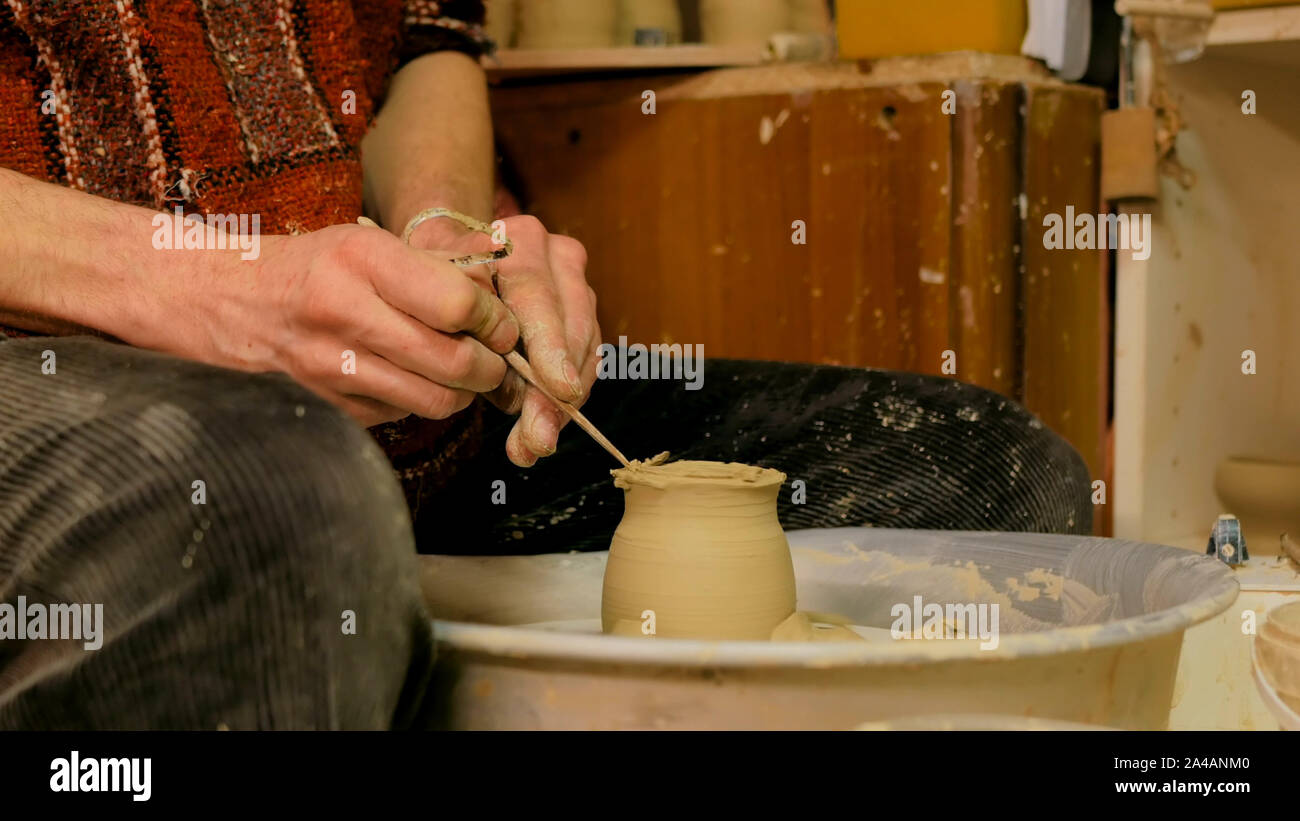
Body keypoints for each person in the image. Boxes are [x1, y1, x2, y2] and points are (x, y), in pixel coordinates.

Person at [0, 1, 1091, 730]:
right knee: (265, 509)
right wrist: (195, 282)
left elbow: (423, 43)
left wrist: (446, 233)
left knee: (985, 476)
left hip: (373, 399)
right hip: (63, 379)